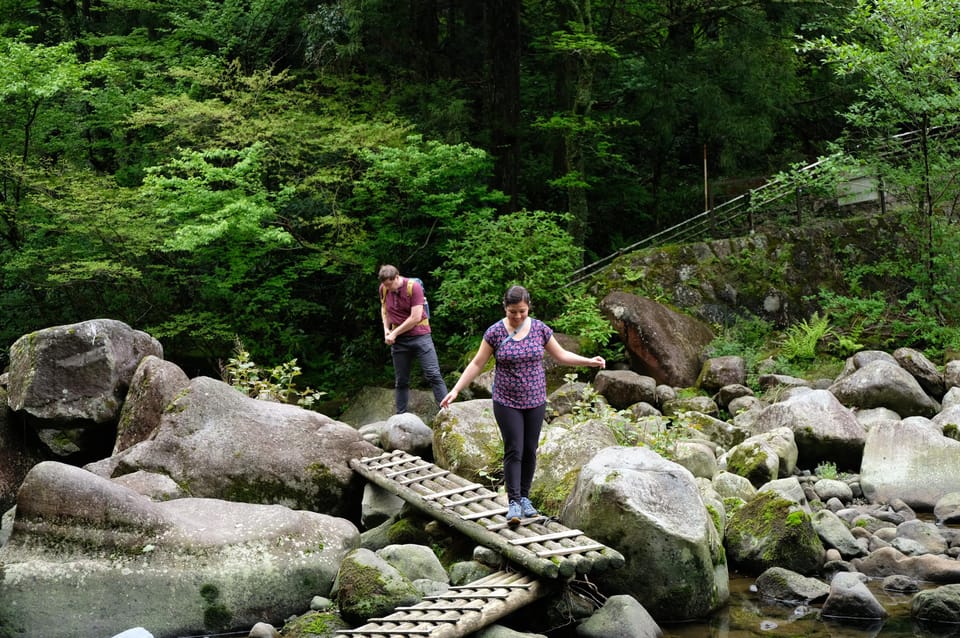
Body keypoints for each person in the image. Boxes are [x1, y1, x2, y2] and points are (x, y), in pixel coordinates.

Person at [440, 285, 605, 525]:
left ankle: (526, 499)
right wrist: (455, 389)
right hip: (507, 400)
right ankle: (514, 503)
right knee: (514, 449)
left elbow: (561, 355)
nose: (517, 317)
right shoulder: (495, 333)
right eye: (512, 312)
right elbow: (477, 363)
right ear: (505, 308)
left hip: (535, 400)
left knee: (530, 449)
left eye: (522, 312)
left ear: (528, 308)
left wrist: (588, 361)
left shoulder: (539, 329)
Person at [378, 264, 448, 414]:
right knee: (401, 381)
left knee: (433, 374)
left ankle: (447, 412)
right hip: (399, 341)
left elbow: (415, 317)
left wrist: (394, 333)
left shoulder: (414, 287)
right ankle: (401, 416)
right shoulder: (383, 289)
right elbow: (385, 310)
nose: (389, 288)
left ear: (397, 277)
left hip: (420, 336)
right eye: (386, 285)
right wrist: (386, 329)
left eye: (391, 284)